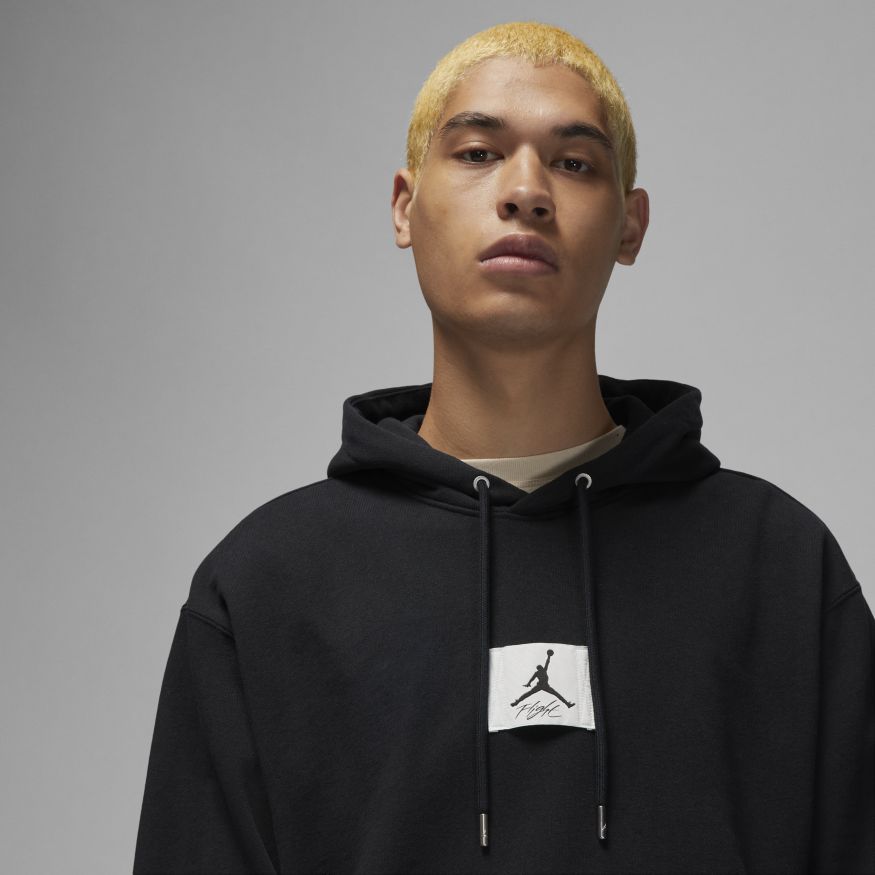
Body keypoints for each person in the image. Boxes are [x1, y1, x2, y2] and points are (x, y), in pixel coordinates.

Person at [133, 20, 875, 874]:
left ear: (629, 225)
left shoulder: (780, 568)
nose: (526, 190)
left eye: (574, 163)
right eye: (479, 153)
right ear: (405, 206)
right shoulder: (266, 585)